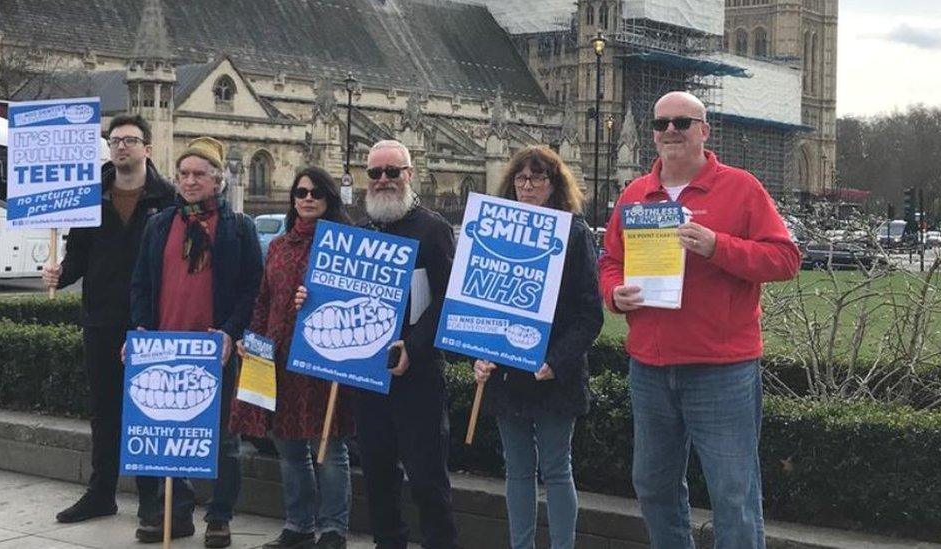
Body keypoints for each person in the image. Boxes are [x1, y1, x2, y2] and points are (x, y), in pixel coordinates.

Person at [598, 91, 800, 549]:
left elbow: (786, 259)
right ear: (651, 133)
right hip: (649, 367)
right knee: (653, 486)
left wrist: (718, 247)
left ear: (704, 131)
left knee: (734, 493)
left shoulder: (741, 187)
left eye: (683, 123)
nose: (671, 130)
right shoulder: (635, 193)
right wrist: (614, 292)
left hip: (721, 370)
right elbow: (610, 260)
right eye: (662, 123)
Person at [312, 139, 457, 549]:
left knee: (427, 477)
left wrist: (414, 347)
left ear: (410, 175)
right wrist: (312, 300)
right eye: (375, 173)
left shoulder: (433, 229)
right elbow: (338, 299)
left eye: (393, 171)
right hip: (368, 376)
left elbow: (447, 301)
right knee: (377, 474)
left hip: (418, 376)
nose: (383, 180)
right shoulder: (360, 232)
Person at [130, 136, 263, 547]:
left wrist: (229, 332)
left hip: (214, 351)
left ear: (218, 180)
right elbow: (140, 284)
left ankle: (219, 517)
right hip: (163, 350)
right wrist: (139, 329)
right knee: (164, 436)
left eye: (199, 174)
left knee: (223, 440)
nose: (189, 181)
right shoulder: (159, 224)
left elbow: (251, 291)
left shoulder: (238, 228)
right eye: (184, 174)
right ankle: (177, 512)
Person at [43, 114, 176, 524]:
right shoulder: (90, 196)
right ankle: (101, 493)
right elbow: (79, 256)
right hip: (100, 319)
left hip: (149, 322)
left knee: (150, 410)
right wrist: (60, 273)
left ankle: (151, 498)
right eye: (115, 141)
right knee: (104, 410)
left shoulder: (167, 198)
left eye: (130, 141)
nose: (121, 147)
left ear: (147, 149)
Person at [472, 146, 603, 549]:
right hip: (507, 372)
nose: (527, 187)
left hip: (551, 374)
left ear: (554, 184)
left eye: (538, 179)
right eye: (521, 179)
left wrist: (554, 361)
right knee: (516, 470)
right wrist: (477, 353)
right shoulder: (492, 231)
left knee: (556, 469)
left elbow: (589, 315)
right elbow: (477, 303)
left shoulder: (574, 233)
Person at [231, 167, 354, 549]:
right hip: (279, 357)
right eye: (301, 192)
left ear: (330, 199)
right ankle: (299, 525)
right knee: (288, 447)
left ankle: (333, 528)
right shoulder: (280, 246)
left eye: (317, 192)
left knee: (330, 449)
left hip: (324, 358)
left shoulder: (346, 245)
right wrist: (251, 338)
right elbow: (264, 298)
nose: (308, 198)